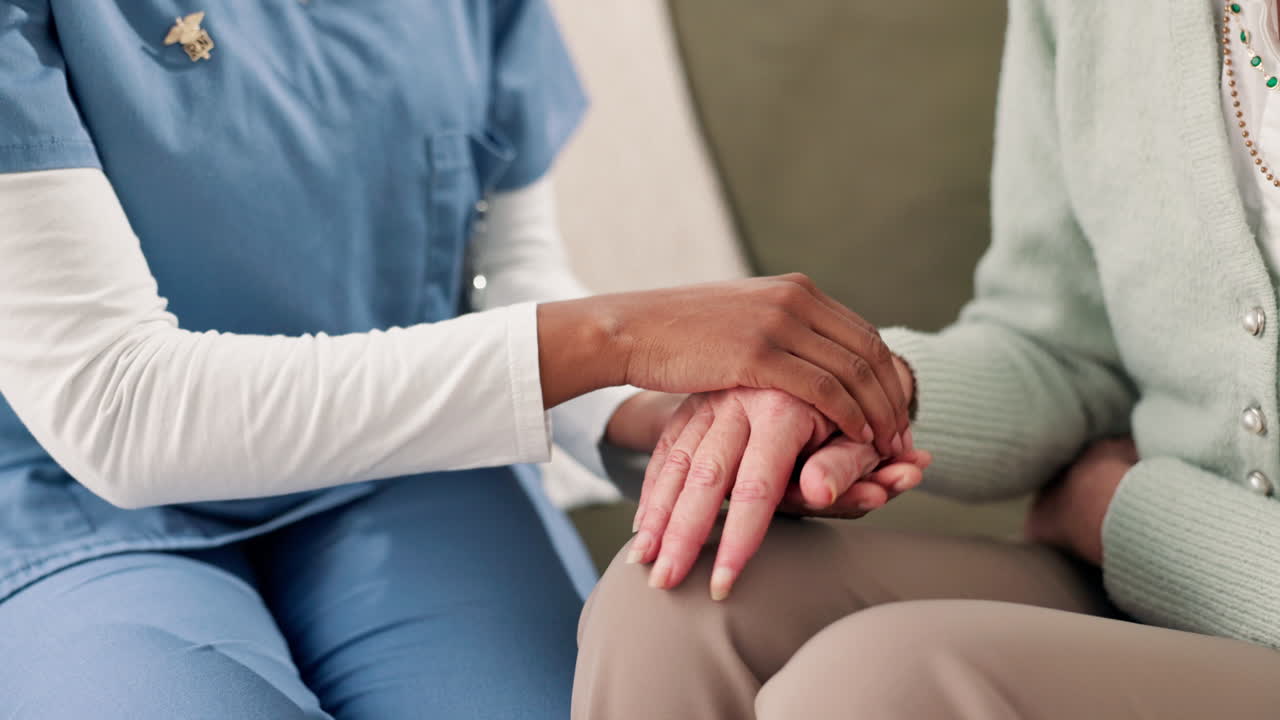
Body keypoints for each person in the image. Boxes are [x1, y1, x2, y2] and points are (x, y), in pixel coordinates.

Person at [0, 2, 915, 718]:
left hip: (400, 472)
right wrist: (623, 334)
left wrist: (659, 425)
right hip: (68, 505)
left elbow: (498, 274)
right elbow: (115, 410)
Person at [574, 0, 1280, 717]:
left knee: (876, 689)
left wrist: (1122, 518)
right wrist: (848, 392)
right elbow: (1065, 347)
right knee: (670, 599)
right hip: (1137, 578)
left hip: (1178, 562)